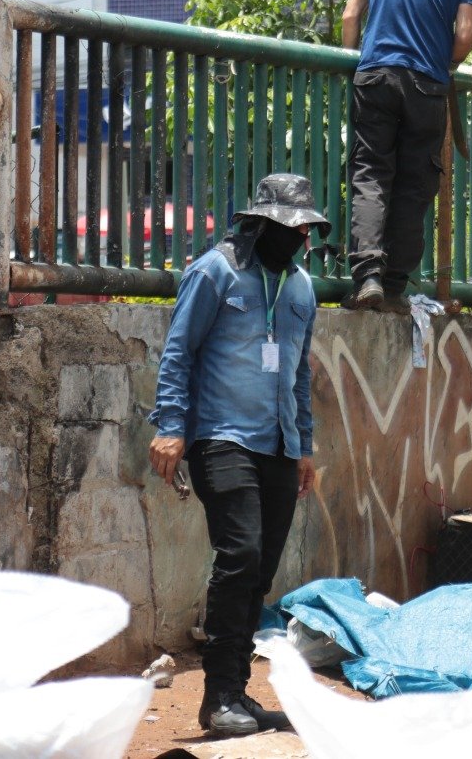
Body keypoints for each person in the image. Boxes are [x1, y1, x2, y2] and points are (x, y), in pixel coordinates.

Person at [148, 174, 327, 738]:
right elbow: (179, 351)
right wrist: (171, 427)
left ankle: (236, 693)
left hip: (278, 445)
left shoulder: (301, 287)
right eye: (291, 228)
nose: (301, 239)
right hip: (220, 437)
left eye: (306, 229)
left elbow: (299, 372)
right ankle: (217, 697)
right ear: (262, 223)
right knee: (241, 554)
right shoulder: (215, 272)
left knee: (260, 573)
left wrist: (303, 445)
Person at [339, 0, 472, 312]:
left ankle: (366, 277)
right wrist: (445, 66)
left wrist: (354, 65)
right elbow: (465, 35)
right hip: (426, 86)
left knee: (370, 173)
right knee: (414, 184)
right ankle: (395, 286)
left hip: (374, 76)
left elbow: (351, 14)